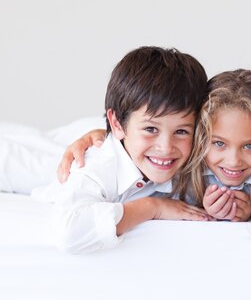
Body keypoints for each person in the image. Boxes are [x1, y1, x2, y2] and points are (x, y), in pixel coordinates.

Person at [41, 46, 210, 253]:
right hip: (59, 163)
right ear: (117, 123)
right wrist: (153, 207)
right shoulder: (96, 165)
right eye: (151, 129)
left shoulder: (196, 156)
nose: (166, 148)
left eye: (182, 131)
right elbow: (70, 233)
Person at [172, 69, 251, 222]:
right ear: (200, 138)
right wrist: (202, 213)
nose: (233, 161)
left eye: (249, 146)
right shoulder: (181, 181)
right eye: (219, 143)